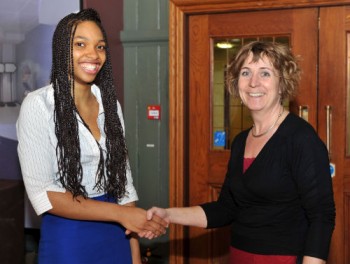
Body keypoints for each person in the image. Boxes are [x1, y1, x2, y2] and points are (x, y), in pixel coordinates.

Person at [147, 41, 335, 264]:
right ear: (237, 84)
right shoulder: (240, 141)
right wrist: (169, 215)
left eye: (265, 73)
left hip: (284, 257)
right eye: (246, 73)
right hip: (239, 255)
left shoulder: (301, 139)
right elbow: (226, 208)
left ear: (282, 84)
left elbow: (322, 216)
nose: (254, 83)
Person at [17, 8, 166, 264]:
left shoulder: (110, 104)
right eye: (80, 44)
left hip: (117, 234)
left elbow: (124, 184)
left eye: (100, 47)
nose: (93, 55)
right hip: (69, 236)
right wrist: (120, 214)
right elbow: (44, 195)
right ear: (62, 49)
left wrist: (135, 255)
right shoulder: (38, 105)